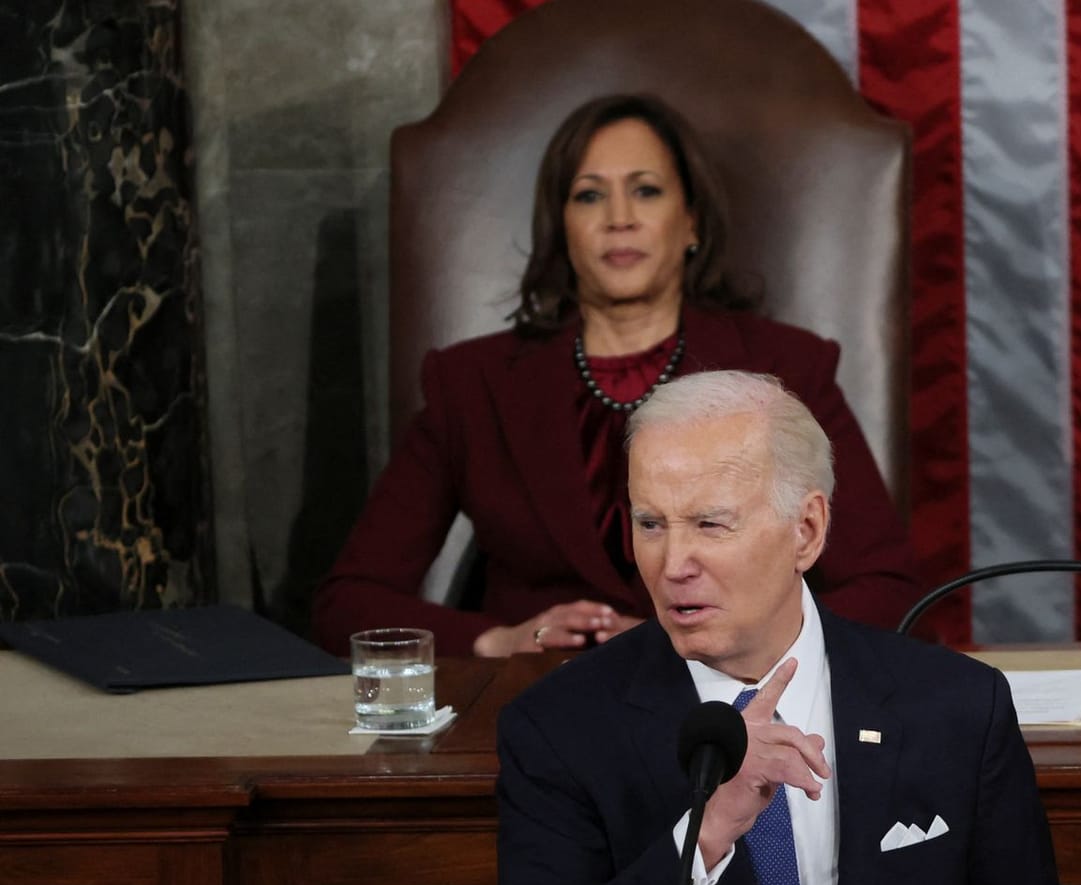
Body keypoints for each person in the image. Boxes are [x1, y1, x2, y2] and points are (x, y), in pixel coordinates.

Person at [488, 370, 1081, 885]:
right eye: (650, 523)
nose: (672, 562)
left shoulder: (952, 708)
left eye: (711, 524)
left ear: (806, 530)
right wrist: (703, 838)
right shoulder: (560, 728)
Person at [312, 94, 920, 657]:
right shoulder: (471, 383)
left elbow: (887, 588)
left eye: (647, 191)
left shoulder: (786, 369)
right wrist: (497, 638)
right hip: (542, 703)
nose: (619, 218)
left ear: (691, 223)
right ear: (562, 229)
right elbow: (348, 601)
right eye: (589, 195)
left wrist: (730, 640)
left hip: (731, 696)